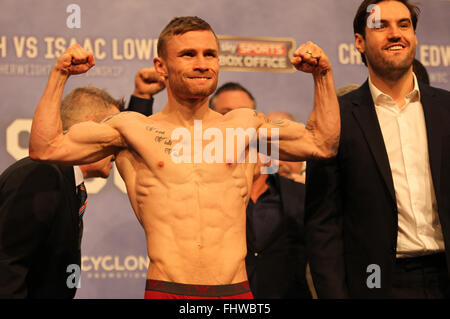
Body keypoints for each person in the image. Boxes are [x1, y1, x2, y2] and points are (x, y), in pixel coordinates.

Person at [29, 16, 340, 299]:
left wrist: (323, 75)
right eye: (188, 54)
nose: (202, 63)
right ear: (161, 66)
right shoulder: (132, 130)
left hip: (235, 294)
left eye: (210, 54)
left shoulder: (244, 127)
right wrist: (60, 74)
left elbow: (321, 143)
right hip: (168, 290)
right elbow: (47, 147)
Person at [305, 0, 450, 298]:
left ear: (415, 37)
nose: (395, 33)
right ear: (359, 42)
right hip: (378, 280)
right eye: (380, 25)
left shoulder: (447, 109)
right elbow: (323, 225)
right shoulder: (337, 117)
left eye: (404, 24)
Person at [0, 86, 123, 298]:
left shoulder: (67, 182)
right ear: (90, 128)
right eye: (114, 134)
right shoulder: (42, 174)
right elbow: (7, 265)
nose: (120, 146)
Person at [210, 83, 311, 298]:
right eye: (227, 115)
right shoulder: (202, 194)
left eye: (244, 115)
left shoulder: (299, 195)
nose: (237, 125)